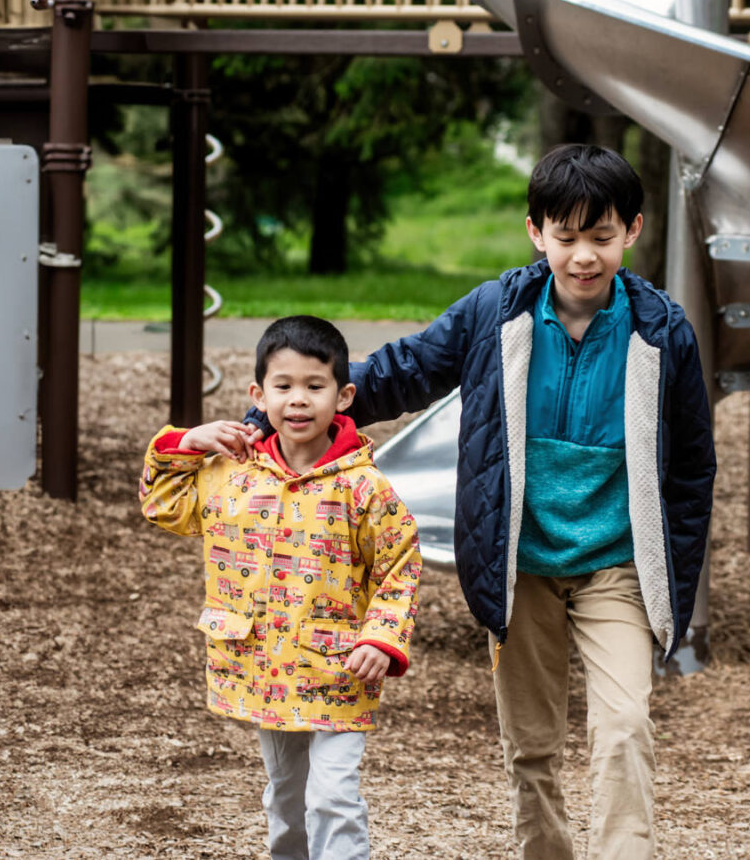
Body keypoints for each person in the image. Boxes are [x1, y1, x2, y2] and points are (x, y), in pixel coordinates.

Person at [254, 144, 717, 859]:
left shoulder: (662, 329)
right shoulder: (494, 311)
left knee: (624, 726)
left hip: (615, 562)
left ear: (634, 229)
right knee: (531, 745)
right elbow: (404, 371)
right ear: (537, 233)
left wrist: (675, 589)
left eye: (601, 236)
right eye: (567, 236)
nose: (584, 256)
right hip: (519, 562)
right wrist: (289, 410)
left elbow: (690, 471)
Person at [140, 315, 422, 860]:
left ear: (342, 396)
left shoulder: (363, 486)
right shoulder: (230, 474)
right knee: (286, 797)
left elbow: (399, 565)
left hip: (339, 668)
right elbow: (162, 504)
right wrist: (188, 440)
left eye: (315, 387)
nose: (298, 400)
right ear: (257, 394)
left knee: (333, 797)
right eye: (283, 386)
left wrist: (380, 637)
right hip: (263, 668)